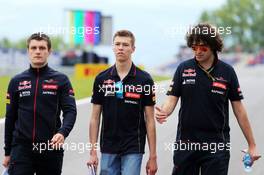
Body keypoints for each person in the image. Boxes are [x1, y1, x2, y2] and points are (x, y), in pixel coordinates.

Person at [155, 23, 261, 175]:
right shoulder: (183, 68)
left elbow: (239, 109)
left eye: (203, 47)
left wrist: (252, 145)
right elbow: (172, 98)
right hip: (186, 144)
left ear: (213, 46)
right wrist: (164, 111)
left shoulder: (227, 72)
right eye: (194, 47)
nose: (198, 51)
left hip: (217, 145)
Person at [2, 33, 77, 175]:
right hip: (21, 149)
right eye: (34, 48)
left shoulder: (61, 80)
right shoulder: (16, 81)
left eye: (42, 48)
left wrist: (62, 132)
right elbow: (10, 118)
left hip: (50, 148)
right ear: (28, 51)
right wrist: (7, 152)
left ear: (49, 51)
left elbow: (70, 111)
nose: (38, 51)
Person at [87, 30, 158, 175]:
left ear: (133, 49)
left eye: (125, 45)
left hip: (133, 146)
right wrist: (93, 152)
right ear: (113, 47)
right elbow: (94, 118)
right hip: (108, 147)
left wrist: (153, 156)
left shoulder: (144, 80)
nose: (121, 48)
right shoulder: (101, 78)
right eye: (117, 44)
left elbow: (150, 120)